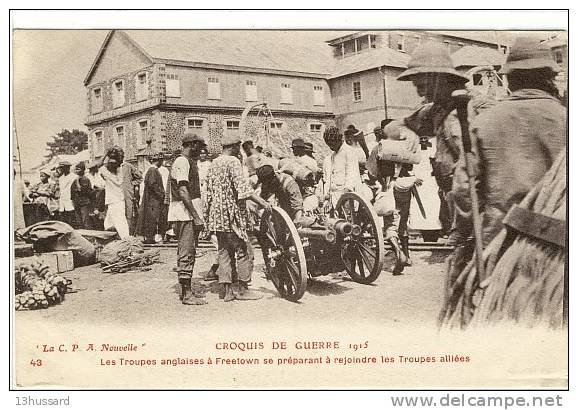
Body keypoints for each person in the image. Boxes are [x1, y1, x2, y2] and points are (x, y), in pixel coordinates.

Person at [452, 35, 567, 250]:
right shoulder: (566, 119)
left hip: (501, 240)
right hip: (559, 247)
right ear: (549, 78)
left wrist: (467, 227)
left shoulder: (484, 122)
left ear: (510, 79)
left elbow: (464, 189)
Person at [395, 41, 470, 239]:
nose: (420, 92)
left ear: (439, 79)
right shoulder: (434, 111)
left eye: (423, 86)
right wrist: (408, 131)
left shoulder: (477, 108)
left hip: (477, 208)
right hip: (456, 203)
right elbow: (391, 127)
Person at [204, 133, 272, 302]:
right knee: (244, 251)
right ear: (234, 147)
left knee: (224, 252)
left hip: (217, 215)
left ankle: (226, 291)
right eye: (238, 148)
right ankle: (242, 289)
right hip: (232, 214)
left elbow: (209, 192)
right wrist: (263, 203)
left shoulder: (213, 163)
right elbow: (243, 189)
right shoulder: (233, 162)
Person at [168, 134, 207, 305]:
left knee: (190, 251)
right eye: (199, 146)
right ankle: (186, 293)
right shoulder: (182, 162)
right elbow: (183, 191)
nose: (201, 150)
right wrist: (196, 216)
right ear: (192, 145)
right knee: (186, 251)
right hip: (185, 213)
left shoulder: (188, 162)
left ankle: (188, 289)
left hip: (189, 212)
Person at [321, 126, 361, 209]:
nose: (331, 147)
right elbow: (330, 177)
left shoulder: (349, 152)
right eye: (329, 145)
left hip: (347, 196)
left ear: (338, 140)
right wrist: (327, 195)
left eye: (332, 144)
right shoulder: (333, 156)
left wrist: (345, 195)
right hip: (334, 197)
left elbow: (352, 175)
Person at [98, 151, 130, 239]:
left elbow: (99, 164)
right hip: (118, 201)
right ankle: (113, 242)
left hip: (114, 202)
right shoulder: (119, 173)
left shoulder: (108, 175)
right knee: (108, 224)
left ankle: (127, 242)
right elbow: (119, 164)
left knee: (121, 225)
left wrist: (106, 153)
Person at [136, 153, 166, 244]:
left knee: (152, 217)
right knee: (154, 218)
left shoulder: (152, 170)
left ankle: (150, 236)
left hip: (153, 199)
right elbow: (152, 184)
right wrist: (161, 193)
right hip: (153, 200)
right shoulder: (153, 170)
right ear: (159, 161)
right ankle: (152, 237)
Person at [117, 148, 143, 236]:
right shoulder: (112, 167)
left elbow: (140, 177)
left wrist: (132, 184)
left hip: (127, 193)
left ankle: (129, 234)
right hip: (116, 194)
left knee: (129, 213)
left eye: (120, 156)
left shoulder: (128, 166)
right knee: (118, 214)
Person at [71, 162, 94, 229]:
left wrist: (77, 181)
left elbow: (81, 190)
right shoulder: (75, 179)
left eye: (78, 169)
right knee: (79, 220)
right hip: (77, 201)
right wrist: (72, 200)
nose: (76, 171)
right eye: (76, 169)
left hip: (84, 201)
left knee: (85, 219)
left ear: (83, 170)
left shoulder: (85, 179)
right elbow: (72, 190)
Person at [57, 160, 78, 228]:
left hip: (70, 198)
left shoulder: (74, 177)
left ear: (68, 168)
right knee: (63, 217)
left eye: (63, 168)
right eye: (61, 168)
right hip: (63, 199)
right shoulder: (60, 178)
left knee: (71, 216)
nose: (61, 169)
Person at [87, 160, 106, 230]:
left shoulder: (98, 175)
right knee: (93, 214)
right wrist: (99, 188)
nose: (97, 169)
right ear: (93, 169)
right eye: (96, 168)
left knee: (99, 213)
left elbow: (103, 184)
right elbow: (92, 187)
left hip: (99, 197)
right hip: (92, 197)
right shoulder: (88, 177)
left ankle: (100, 226)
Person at [157, 157, 170, 242]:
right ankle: (160, 234)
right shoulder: (152, 170)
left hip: (164, 195)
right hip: (159, 196)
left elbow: (166, 184)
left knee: (165, 216)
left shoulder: (165, 170)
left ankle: (166, 234)